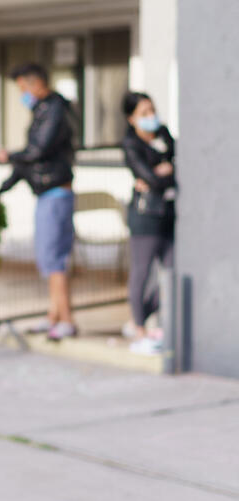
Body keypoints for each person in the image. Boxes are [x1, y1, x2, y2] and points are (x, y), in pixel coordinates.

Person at [0, 62, 77, 341]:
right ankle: (54, 316)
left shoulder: (54, 109)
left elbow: (36, 152)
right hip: (47, 195)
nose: (22, 95)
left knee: (54, 259)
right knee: (48, 258)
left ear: (36, 84)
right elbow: (27, 162)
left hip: (56, 194)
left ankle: (67, 320)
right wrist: (0, 190)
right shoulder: (43, 111)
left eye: (23, 89)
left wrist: (9, 155)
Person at [121, 92, 176, 355]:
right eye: (143, 113)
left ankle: (146, 317)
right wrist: (163, 172)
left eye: (151, 110)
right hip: (145, 216)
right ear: (132, 118)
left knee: (172, 270)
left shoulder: (164, 134)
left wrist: (165, 172)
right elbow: (150, 179)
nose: (150, 117)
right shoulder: (131, 143)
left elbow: (183, 165)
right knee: (142, 272)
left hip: (169, 214)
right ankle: (139, 326)